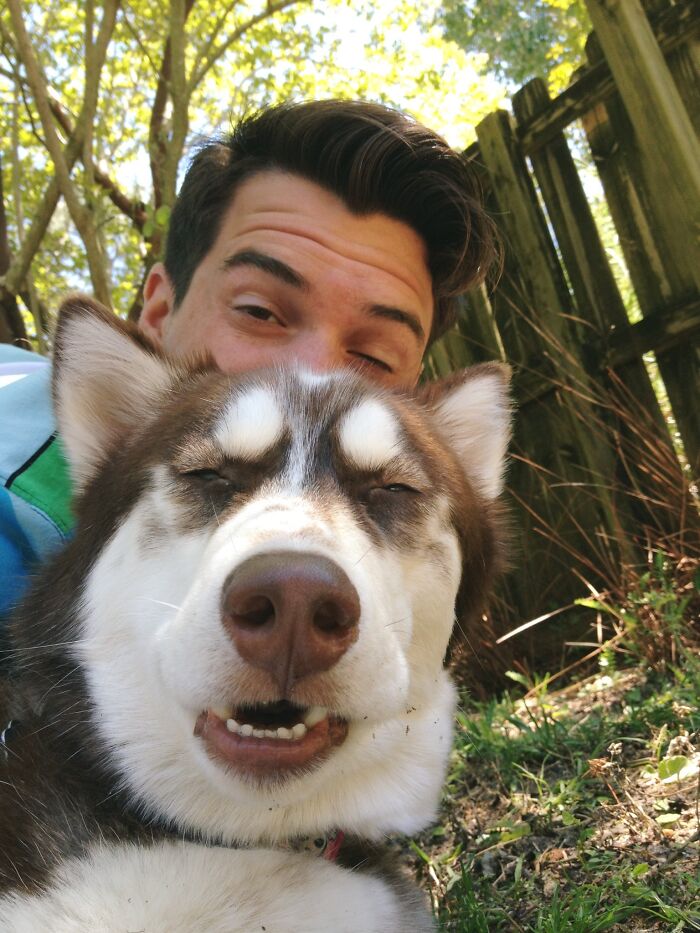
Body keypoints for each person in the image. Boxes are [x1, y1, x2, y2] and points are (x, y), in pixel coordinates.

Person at [0, 98, 498, 619]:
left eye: (372, 356)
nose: (315, 378)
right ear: (160, 311)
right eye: (261, 313)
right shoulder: (20, 504)